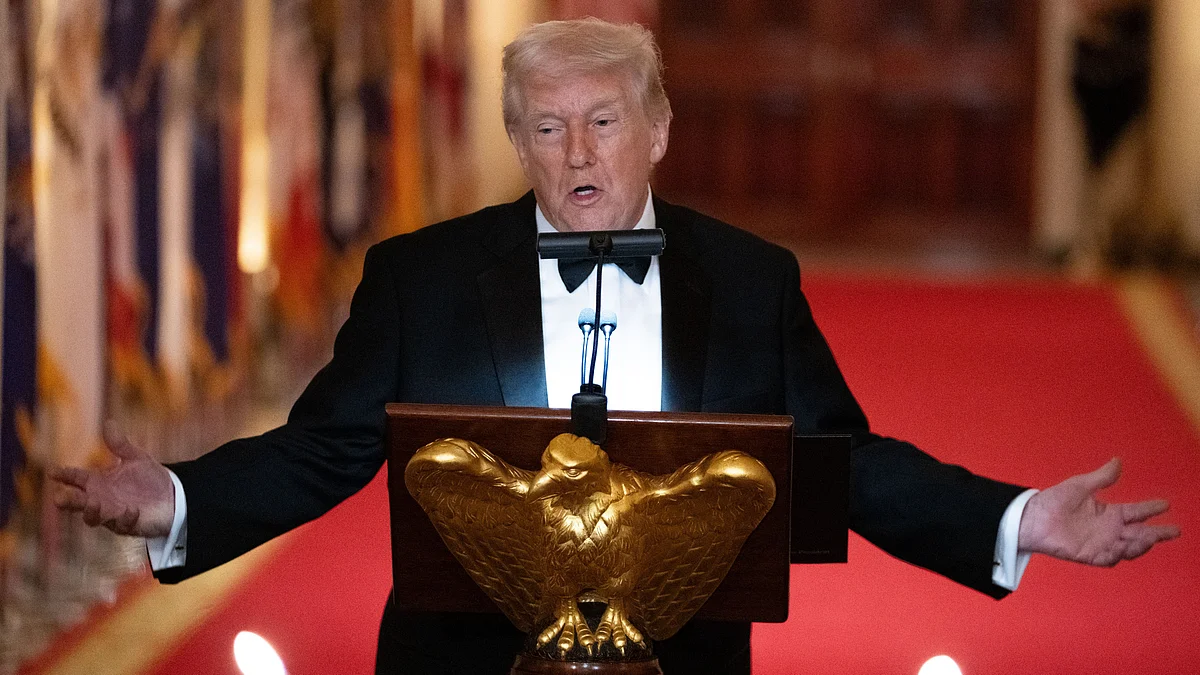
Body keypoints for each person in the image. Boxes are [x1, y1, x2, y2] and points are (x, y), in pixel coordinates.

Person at [51, 18, 1179, 674]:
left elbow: (842, 461)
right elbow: (325, 446)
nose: (577, 151)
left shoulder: (749, 279)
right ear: (516, 140)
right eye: (547, 126)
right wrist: (181, 499)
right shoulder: (424, 277)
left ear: (659, 132)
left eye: (604, 121)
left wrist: (1021, 518)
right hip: (461, 659)